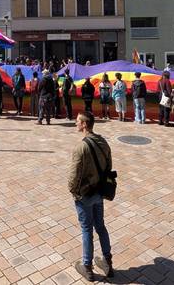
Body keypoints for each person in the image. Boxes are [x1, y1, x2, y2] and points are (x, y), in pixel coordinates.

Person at [68, 112, 114, 281]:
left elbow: (74, 175)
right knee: (100, 226)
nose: (75, 124)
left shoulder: (81, 147)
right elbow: (109, 165)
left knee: (87, 228)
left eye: (77, 121)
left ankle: (87, 266)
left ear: (85, 125)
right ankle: (107, 261)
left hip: (85, 194)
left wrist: (73, 191)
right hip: (99, 191)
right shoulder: (103, 141)